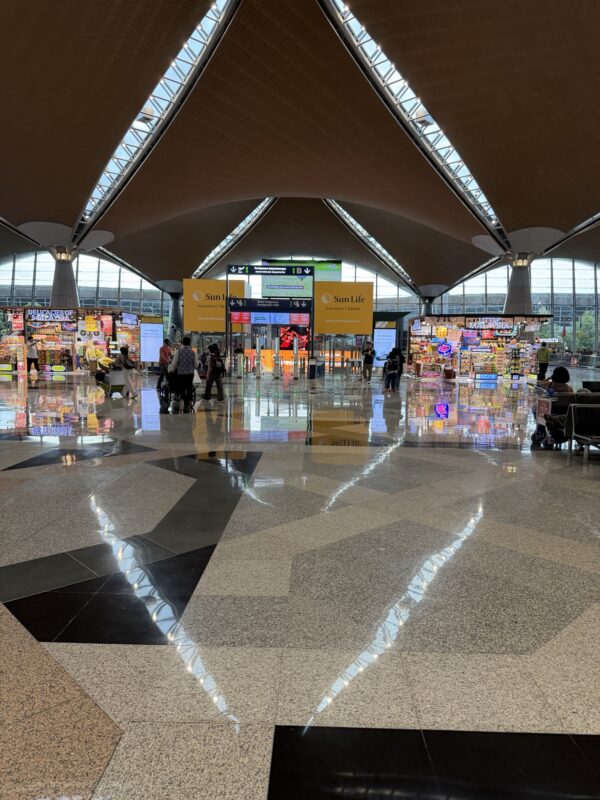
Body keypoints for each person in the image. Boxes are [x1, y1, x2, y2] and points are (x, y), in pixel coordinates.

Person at [169, 335, 198, 411]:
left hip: (181, 374)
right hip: (190, 374)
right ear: (189, 343)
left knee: (181, 388)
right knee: (189, 388)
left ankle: (183, 402)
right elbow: (196, 364)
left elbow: (174, 363)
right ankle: (188, 402)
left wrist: (171, 370)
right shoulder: (193, 352)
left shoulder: (179, 352)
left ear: (182, 343)